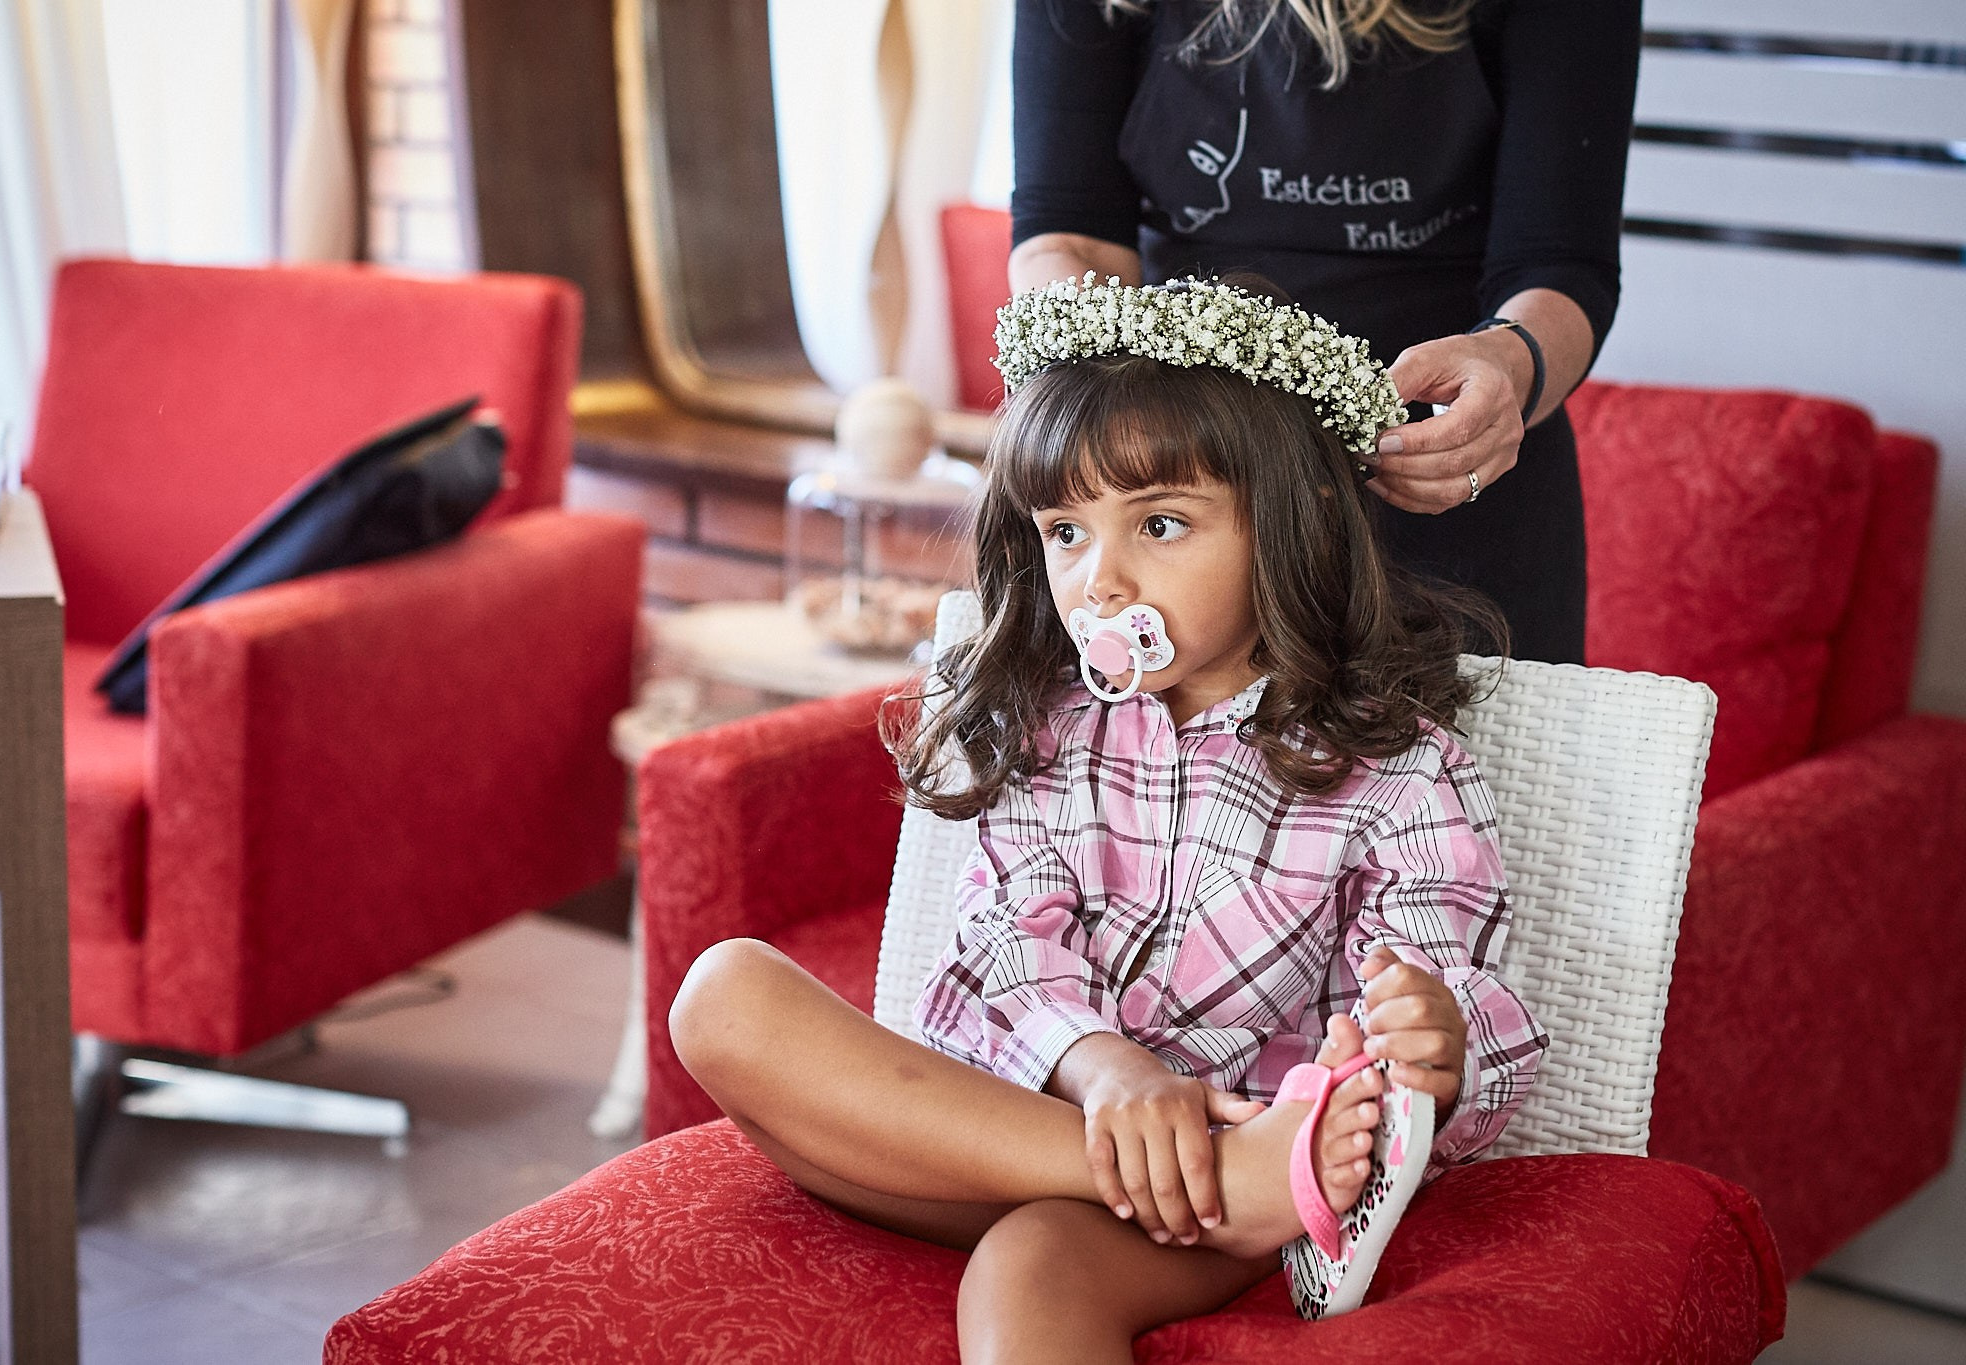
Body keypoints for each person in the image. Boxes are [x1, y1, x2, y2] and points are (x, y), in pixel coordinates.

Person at [668, 276, 1547, 1363]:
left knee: (1029, 1269)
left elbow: (1440, 998)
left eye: (1161, 524)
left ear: (1292, 518)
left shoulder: (1399, 774)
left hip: (1207, 1217)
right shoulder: (1043, 722)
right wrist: (1106, 1073)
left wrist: (1439, 1040)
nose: (1100, 579)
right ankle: (1228, 1175)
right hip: (1023, 1130)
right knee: (721, 998)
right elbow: (1010, 944)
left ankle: (1232, 1180)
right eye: (1065, 533)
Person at [1009, 0, 1643, 665]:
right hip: (1180, 501)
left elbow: (1562, 263)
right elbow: (1068, 234)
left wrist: (1511, 364)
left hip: (1445, 496)